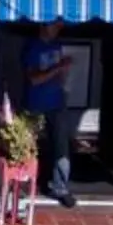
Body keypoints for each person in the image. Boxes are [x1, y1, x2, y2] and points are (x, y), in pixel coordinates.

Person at [20, 23, 78, 206]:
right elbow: (34, 79)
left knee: (61, 146)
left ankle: (60, 187)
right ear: (44, 25)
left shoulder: (57, 45)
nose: (59, 28)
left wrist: (64, 74)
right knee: (28, 145)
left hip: (57, 103)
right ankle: (23, 185)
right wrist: (58, 67)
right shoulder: (32, 47)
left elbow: (59, 77)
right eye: (55, 25)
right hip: (36, 103)